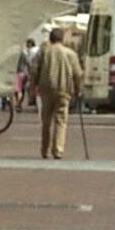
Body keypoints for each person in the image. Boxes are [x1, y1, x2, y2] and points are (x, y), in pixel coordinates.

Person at [33, 27, 86, 159]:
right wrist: (79, 89)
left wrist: (33, 84)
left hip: (46, 89)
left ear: (50, 39)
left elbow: (35, 69)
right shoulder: (70, 54)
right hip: (64, 88)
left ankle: (44, 149)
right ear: (62, 39)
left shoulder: (44, 52)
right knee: (61, 119)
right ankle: (58, 149)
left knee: (46, 120)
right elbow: (77, 74)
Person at [16, 32, 42, 112]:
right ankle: (35, 105)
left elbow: (22, 63)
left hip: (21, 73)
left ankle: (19, 104)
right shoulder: (34, 52)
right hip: (28, 73)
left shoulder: (23, 52)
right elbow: (31, 63)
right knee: (29, 89)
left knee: (19, 89)